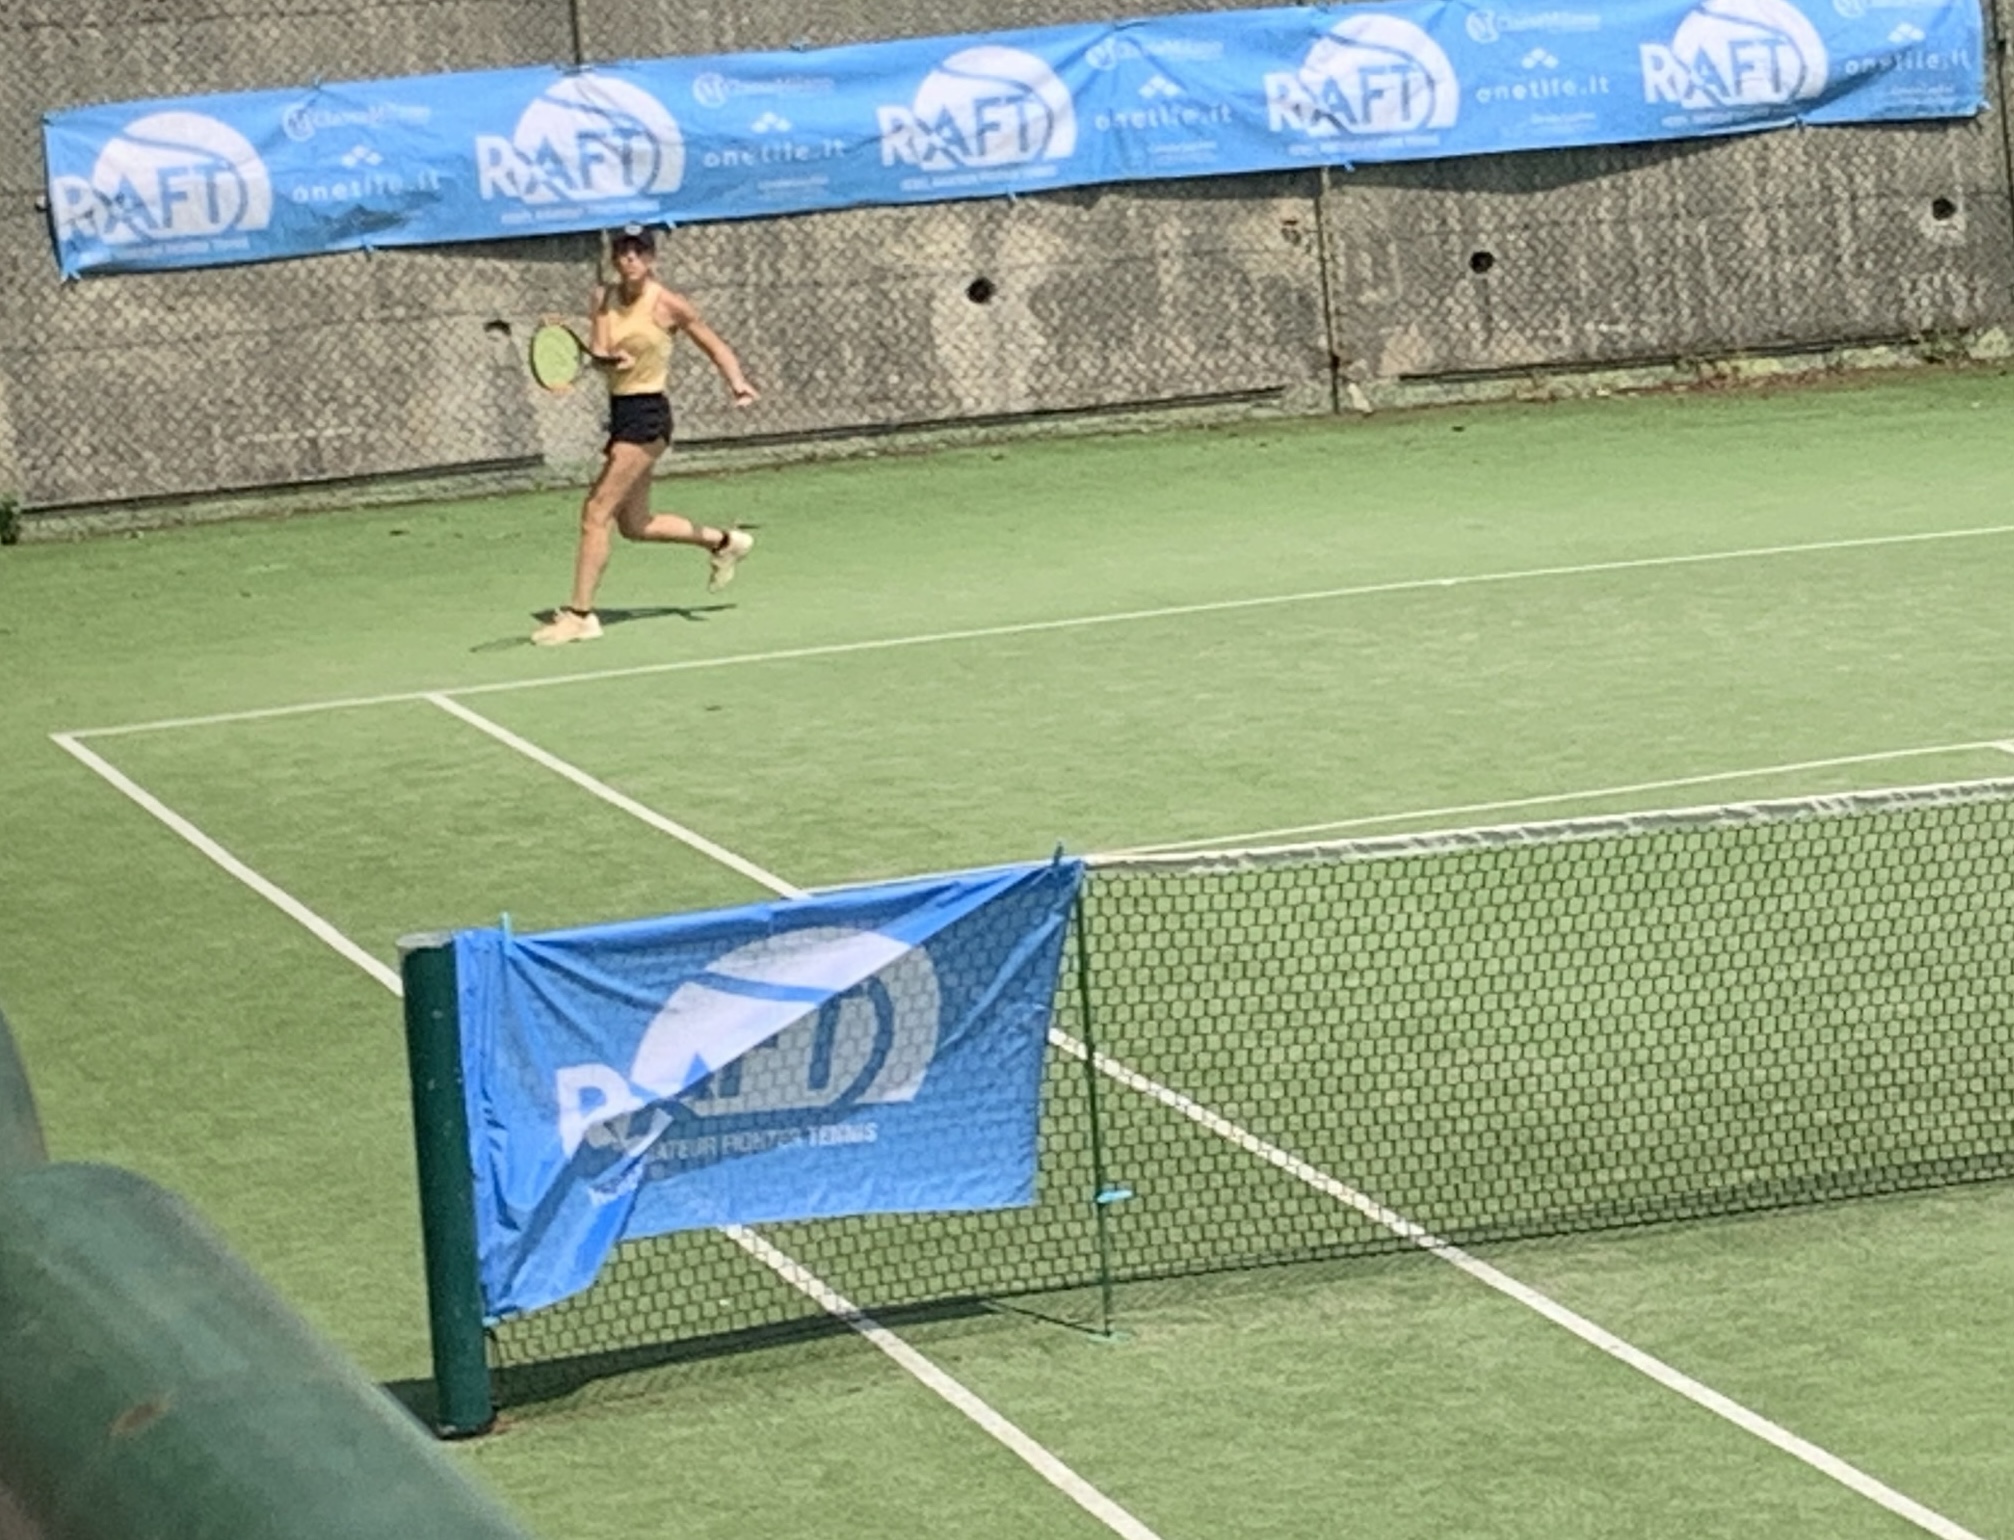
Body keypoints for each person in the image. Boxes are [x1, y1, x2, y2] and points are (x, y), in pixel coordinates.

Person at [532, 223, 759, 646]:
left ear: (651, 258)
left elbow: (714, 345)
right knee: (635, 524)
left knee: (595, 511)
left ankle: (581, 615)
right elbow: (600, 356)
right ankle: (726, 542)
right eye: (623, 251)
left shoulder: (668, 304)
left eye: (638, 251)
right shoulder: (602, 298)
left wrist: (737, 382)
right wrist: (603, 361)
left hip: (648, 416)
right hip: (621, 412)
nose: (630, 258)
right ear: (615, 258)